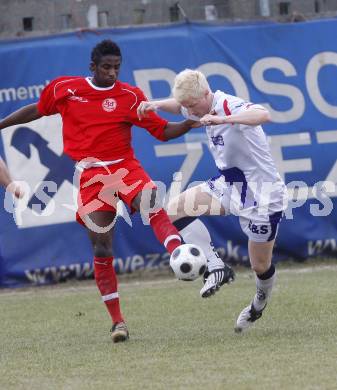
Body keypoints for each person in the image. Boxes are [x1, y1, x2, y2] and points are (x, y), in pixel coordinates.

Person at [0, 41, 213, 343]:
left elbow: (163, 131)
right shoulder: (66, 89)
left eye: (117, 67)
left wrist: (192, 121)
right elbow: (37, 109)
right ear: (93, 66)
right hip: (91, 177)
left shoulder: (129, 96)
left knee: (151, 202)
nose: (112, 72)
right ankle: (118, 323)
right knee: (101, 248)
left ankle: (178, 252)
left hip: (125, 168)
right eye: (106, 67)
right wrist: (2, 124)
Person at [137, 69, 288, 332]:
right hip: (230, 185)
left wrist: (224, 119)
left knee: (259, 265)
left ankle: (258, 305)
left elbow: (263, 114)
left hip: (262, 196)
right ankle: (216, 266)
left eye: (192, 106)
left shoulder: (226, 104)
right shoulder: (196, 106)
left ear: (207, 94)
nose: (190, 112)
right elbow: (179, 106)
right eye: (187, 107)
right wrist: (157, 104)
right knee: (171, 211)